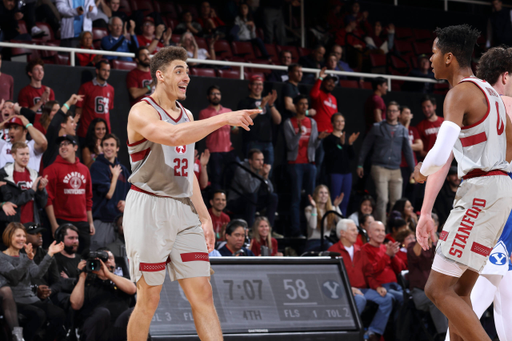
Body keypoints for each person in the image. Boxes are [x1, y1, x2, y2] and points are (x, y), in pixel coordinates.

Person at [124, 46, 258, 341]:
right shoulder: (141, 110)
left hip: (182, 208)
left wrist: (205, 216)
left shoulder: (187, 115)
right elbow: (171, 136)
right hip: (149, 206)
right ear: (160, 75)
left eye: (188, 71)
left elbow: (188, 172)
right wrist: (224, 118)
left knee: (203, 293)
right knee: (149, 299)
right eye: (179, 71)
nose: (187, 77)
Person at [412, 25, 512, 341]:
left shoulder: (459, 93)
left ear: (450, 57)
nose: (430, 59)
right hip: (501, 191)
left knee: (436, 288)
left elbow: (439, 155)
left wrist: (418, 173)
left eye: (434, 53)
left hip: (479, 193)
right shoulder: (494, 94)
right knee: (460, 291)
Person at [445, 45, 512, 341]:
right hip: (496, 213)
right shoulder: (503, 104)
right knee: (468, 298)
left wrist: (424, 212)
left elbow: (442, 159)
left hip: (483, 205)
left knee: (492, 298)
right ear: (506, 77)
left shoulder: (472, 103)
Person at [328, 219, 393, 341]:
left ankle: (372, 332)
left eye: (356, 230)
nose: (356, 233)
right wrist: (347, 288)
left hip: (363, 289)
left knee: (387, 299)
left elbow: (369, 273)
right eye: (352, 230)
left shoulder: (360, 250)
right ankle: (348, 333)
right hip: (344, 291)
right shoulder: (332, 251)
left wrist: (377, 287)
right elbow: (330, 278)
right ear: (342, 233)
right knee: (360, 300)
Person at [0, 222, 66, 341]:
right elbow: (15, 276)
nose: (22, 239)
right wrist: (29, 259)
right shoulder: (1, 257)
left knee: (59, 314)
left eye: (24, 236)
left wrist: (50, 254)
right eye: (18, 236)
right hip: (14, 301)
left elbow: (37, 273)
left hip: (31, 298)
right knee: (38, 315)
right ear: (9, 237)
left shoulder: (25, 256)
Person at [357, 101, 415, 223]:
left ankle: (395, 228)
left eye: (394, 111)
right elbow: (365, 146)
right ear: (386, 112)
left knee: (397, 201)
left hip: (396, 169)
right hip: (379, 167)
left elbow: (408, 151)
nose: (391, 113)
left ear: (398, 113)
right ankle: (381, 227)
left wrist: (413, 170)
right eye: (389, 111)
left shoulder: (403, 130)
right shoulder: (377, 127)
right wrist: (360, 164)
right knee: (383, 199)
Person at [284, 94, 328, 237]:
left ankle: (310, 229)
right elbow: (290, 145)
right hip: (295, 164)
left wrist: (319, 140)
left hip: (310, 164)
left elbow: (314, 146)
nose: (304, 107)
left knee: (311, 199)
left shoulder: (312, 122)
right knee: (296, 198)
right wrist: (299, 132)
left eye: (306, 104)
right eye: (301, 104)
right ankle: (296, 230)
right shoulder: (289, 123)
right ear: (295, 106)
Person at [70, 247, 136, 341]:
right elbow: (75, 305)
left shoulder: (122, 281)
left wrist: (108, 275)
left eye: (110, 258)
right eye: (102, 259)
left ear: (115, 263)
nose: (107, 261)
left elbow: (132, 289)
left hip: (117, 329)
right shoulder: (86, 283)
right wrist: (82, 276)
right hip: (95, 331)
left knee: (136, 311)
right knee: (102, 313)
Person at [44, 135, 95, 254]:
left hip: (82, 221)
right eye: (61, 145)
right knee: (63, 257)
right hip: (62, 220)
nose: (63, 147)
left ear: (75, 147)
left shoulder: (84, 169)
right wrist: (54, 224)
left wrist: (90, 222)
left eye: (67, 144)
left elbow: (88, 198)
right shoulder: (51, 169)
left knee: (84, 256)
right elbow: (48, 199)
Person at [90, 134, 130, 249]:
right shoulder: (97, 167)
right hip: (103, 221)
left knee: (121, 259)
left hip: (121, 222)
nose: (108, 148)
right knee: (100, 254)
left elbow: (132, 194)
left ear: (117, 148)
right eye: (106, 145)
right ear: (101, 148)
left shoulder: (123, 169)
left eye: (112, 145)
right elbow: (108, 194)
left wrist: (127, 204)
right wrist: (115, 176)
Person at [407, 232, 448, 338]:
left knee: (451, 296)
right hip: (419, 293)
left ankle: (457, 332)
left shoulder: (436, 247)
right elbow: (415, 256)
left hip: (437, 290)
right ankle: (444, 335)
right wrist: (422, 239)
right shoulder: (413, 246)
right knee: (436, 298)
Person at [0, 142, 48, 226]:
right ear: (13, 155)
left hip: (33, 224)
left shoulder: (34, 175)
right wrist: (32, 190)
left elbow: (42, 204)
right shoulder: (4, 174)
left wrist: (41, 190)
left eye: (27, 154)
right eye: (22, 154)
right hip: (12, 226)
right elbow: (11, 202)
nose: (25, 157)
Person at [226, 149, 277, 227]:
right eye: (258, 160)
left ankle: (269, 229)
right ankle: (250, 229)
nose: (261, 163)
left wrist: (265, 177)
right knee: (252, 196)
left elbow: (270, 190)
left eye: (262, 159)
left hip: (253, 201)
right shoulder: (241, 169)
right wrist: (260, 174)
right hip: (236, 201)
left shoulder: (259, 169)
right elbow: (250, 189)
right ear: (250, 161)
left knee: (273, 197)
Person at [237, 75, 281, 167]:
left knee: (268, 171)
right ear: (250, 86)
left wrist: (271, 105)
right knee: (252, 171)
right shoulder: (245, 102)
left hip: (268, 142)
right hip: (252, 142)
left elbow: (278, 120)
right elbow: (246, 119)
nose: (258, 87)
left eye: (260, 84)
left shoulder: (267, 101)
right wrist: (261, 105)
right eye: (255, 84)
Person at [199, 85, 236, 190]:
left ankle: (226, 199)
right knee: (216, 178)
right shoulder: (204, 112)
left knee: (233, 174)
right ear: (208, 97)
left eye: (218, 94)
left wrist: (235, 127)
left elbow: (235, 130)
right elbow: (203, 130)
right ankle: (216, 200)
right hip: (213, 150)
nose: (216, 96)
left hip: (228, 149)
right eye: (213, 93)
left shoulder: (228, 111)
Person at [323, 113, 359, 216]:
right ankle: (333, 223)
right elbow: (331, 156)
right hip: (335, 173)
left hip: (347, 173)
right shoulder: (329, 139)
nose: (340, 123)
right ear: (332, 123)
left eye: (342, 121)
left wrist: (350, 144)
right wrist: (340, 144)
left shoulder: (347, 137)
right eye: (337, 121)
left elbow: (351, 156)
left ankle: (342, 223)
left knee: (345, 200)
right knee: (335, 199)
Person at [363, 220, 406, 305]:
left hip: (396, 285)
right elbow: (372, 271)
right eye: (378, 230)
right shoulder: (365, 249)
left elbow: (400, 268)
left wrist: (393, 255)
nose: (382, 233)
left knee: (409, 297)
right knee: (405, 299)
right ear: (369, 233)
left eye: (383, 231)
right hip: (381, 286)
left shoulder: (386, 247)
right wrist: (387, 255)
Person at [309, 67, 338, 180]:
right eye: (329, 81)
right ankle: (314, 188)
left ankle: (324, 189)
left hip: (331, 135)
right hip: (319, 133)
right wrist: (320, 78)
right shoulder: (319, 93)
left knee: (329, 163)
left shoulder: (334, 98)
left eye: (333, 82)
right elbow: (312, 94)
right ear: (324, 82)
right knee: (318, 162)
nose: (331, 84)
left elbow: (335, 117)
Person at [75, 60, 114, 142]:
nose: (106, 73)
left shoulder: (111, 89)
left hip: (104, 133)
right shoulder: (85, 87)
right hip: (87, 132)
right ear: (97, 70)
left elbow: (108, 111)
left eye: (108, 71)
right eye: (104, 70)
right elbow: (79, 109)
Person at [42, 94, 82, 168]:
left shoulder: (73, 143)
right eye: (72, 122)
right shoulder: (52, 138)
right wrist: (69, 103)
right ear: (63, 124)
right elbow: (56, 121)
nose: (75, 124)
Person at [305, 185, 342, 251]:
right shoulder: (309, 209)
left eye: (326, 193)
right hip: (312, 242)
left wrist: (337, 207)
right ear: (315, 195)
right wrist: (314, 208)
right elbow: (313, 226)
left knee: (332, 247)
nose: (324, 195)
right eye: (321, 192)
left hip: (326, 242)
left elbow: (342, 223)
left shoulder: (332, 209)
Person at [398, 106, 422, 203]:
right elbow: (400, 142)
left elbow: (420, 146)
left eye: (409, 113)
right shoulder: (397, 129)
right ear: (399, 114)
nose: (408, 116)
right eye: (406, 113)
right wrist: (407, 123)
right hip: (400, 166)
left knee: (412, 191)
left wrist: (406, 146)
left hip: (412, 165)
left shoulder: (413, 130)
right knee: (401, 193)